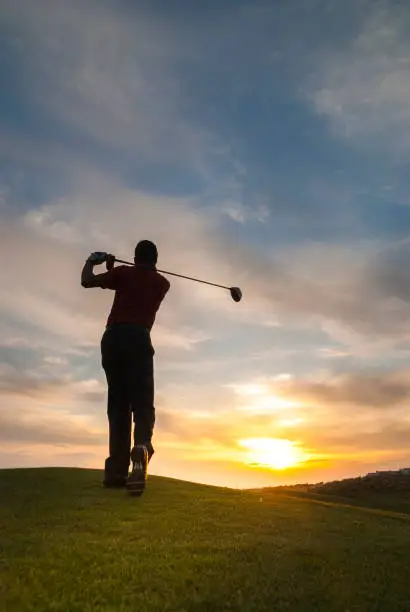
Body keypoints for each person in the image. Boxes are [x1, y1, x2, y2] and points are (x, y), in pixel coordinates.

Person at [81, 240, 170, 495]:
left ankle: (116, 473)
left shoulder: (122, 273)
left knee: (118, 406)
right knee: (142, 405)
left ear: (134, 257)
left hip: (113, 338)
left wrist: (93, 260)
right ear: (155, 259)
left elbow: (87, 280)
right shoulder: (162, 283)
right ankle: (142, 446)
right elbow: (142, 277)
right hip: (139, 338)